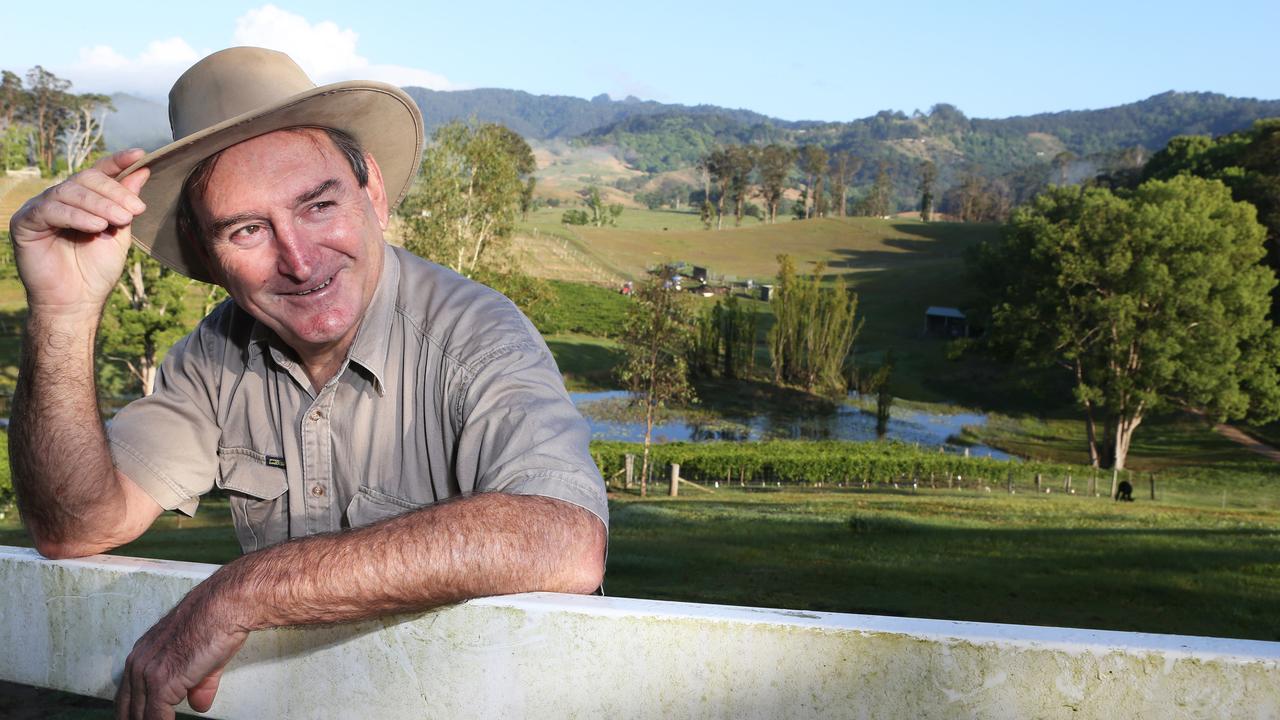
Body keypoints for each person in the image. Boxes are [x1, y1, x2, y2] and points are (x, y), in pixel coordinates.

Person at [7, 47, 607, 719]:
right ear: (206, 251)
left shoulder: (478, 334)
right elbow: (74, 527)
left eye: (318, 205)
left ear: (371, 191)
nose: (298, 260)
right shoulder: (212, 356)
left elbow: (564, 541)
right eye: (248, 229)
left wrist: (246, 590)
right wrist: (63, 313)